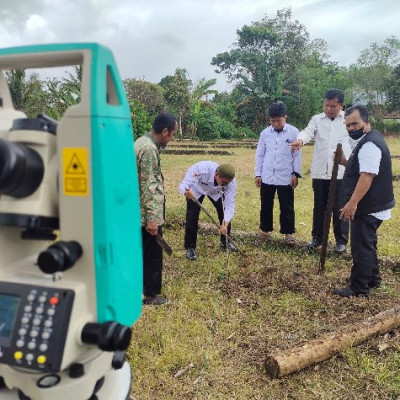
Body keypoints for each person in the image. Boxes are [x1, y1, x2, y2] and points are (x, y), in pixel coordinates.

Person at [333, 105, 395, 298]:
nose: (351, 128)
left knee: (361, 247)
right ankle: (373, 278)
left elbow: (367, 176)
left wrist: (352, 203)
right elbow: (362, 167)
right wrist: (344, 161)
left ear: (366, 122)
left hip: (368, 206)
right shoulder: (368, 140)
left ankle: (359, 287)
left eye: (355, 124)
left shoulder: (369, 145)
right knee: (369, 243)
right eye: (348, 125)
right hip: (375, 203)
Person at [290, 89, 350, 253]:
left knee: (340, 206)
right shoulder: (317, 119)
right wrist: (300, 141)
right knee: (319, 207)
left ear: (341, 106)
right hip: (320, 172)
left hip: (340, 173)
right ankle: (317, 238)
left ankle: (341, 241)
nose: (329, 109)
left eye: (333, 106)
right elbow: (308, 132)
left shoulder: (348, 120)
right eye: (326, 105)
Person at [135, 112, 178, 305]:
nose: (171, 138)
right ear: (165, 131)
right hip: (146, 214)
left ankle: (139, 287)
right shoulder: (150, 149)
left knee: (141, 251)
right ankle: (151, 295)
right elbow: (149, 186)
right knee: (152, 254)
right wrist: (152, 218)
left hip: (136, 210)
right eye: (172, 134)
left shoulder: (141, 142)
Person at [254, 101, 302, 245]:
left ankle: (288, 234)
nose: (275, 124)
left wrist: (295, 173)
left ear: (285, 117)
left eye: (278, 121)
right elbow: (260, 154)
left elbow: (297, 155)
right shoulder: (265, 133)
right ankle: (265, 230)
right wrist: (258, 173)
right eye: (272, 121)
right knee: (266, 204)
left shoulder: (294, 132)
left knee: (286, 206)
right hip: (267, 175)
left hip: (285, 175)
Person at [179, 161, 237, 260]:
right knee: (192, 216)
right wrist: (186, 191)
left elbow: (229, 205)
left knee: (224, 213)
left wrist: (225, 224)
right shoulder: (200, 169)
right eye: (224, 182)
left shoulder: (230, 183)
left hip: (215, 192)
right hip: (196, 189)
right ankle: (190, 247)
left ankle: (225, 242)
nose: (226, 185)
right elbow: (183, 184)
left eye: (228, 183)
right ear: (217, 174)